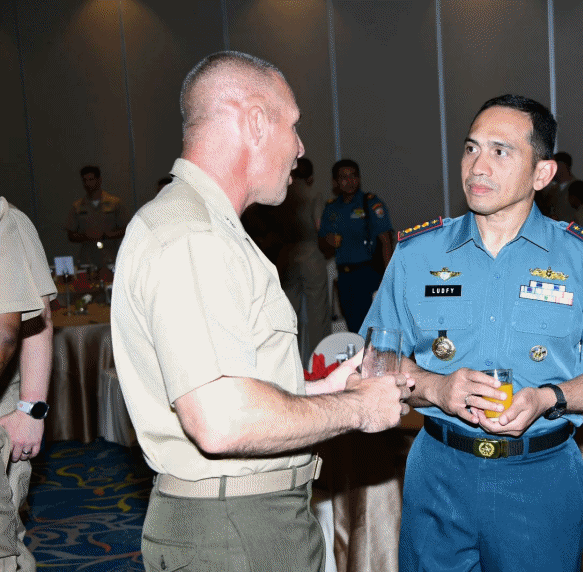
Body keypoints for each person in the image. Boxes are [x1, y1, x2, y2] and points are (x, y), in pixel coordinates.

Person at [111, 51, 413, 572]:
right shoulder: (195, 235)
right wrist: (359, 410)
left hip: (235, 516)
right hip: (237, 527)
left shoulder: (201, 225)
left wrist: (319, 391)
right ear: (254, 121)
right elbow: (222, 420)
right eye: (293, 126)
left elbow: (232, 387)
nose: (300, 148)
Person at [362, 94, 583, 572]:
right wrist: (436, 387)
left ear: (542, 174)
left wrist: (547, 398)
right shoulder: (417, 255)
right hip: (439, 473)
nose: (477, 165)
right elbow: (377, 360)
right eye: (471, 148)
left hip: (539, 477)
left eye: (500, 151)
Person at [0, 197, 55, 572]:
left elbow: (31, 322)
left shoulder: (8, 221)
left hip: (4, 405)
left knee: (3, 546)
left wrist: (31, 408)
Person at [318, 159, 394, 333]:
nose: (349, 181)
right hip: (344, 278)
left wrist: (389, 278)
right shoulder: (331, 208)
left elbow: (386, 241)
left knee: (373, 329)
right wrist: (327, 241)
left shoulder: (369, 203)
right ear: (335, 182)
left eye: (353, 176)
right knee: (353, 329)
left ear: (359, 178)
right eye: (343, 177)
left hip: (368, 274)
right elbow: (322, 244)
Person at [277, 158, 332, 365]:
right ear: (310, 177)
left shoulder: (282, 193)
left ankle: (291, 365)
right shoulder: (313, 193)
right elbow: (320, 226)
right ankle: (320, 364)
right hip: (311, 255)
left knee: (289, 316)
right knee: (318, 314)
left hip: (285, 257)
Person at [65, 165, 129, 268]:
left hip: (111, 256)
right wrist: (86, 236)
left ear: (99, 180)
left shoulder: (115, 203)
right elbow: (71, 235)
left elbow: (126, 230)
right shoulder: (77, 207)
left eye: (91, 179)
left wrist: (105, 235)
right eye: (85, 180)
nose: (87, 184)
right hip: (88, 259)